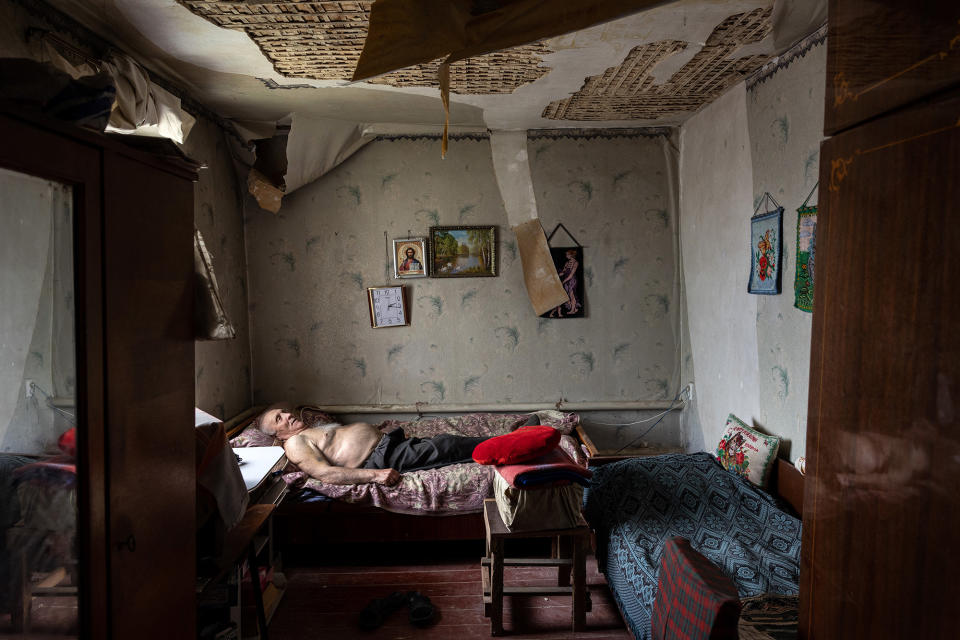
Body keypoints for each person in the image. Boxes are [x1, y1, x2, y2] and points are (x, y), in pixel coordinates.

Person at [255, 403, 489, 486]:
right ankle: (507, 446)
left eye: (284, 412)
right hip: (380, 458)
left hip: (389, 445)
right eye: (279, 419)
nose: (286, 415)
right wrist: (376, 476)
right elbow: (324, 474)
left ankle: (508, 442)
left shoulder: (308, 431)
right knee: (447, 446)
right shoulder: (295, 443)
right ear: (278, 435)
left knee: (445, 442)